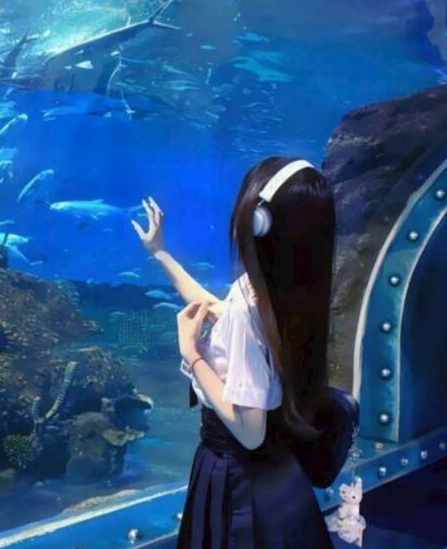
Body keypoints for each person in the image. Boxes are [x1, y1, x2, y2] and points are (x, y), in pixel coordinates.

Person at [131, 156, 336, 549]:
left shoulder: (249, 303)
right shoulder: (291, 287)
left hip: (236, 473)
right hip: (278, 472)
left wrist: (192, 353)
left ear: (258, 221)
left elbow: (250, 431)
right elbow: (217, 309)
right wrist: (160, 253)